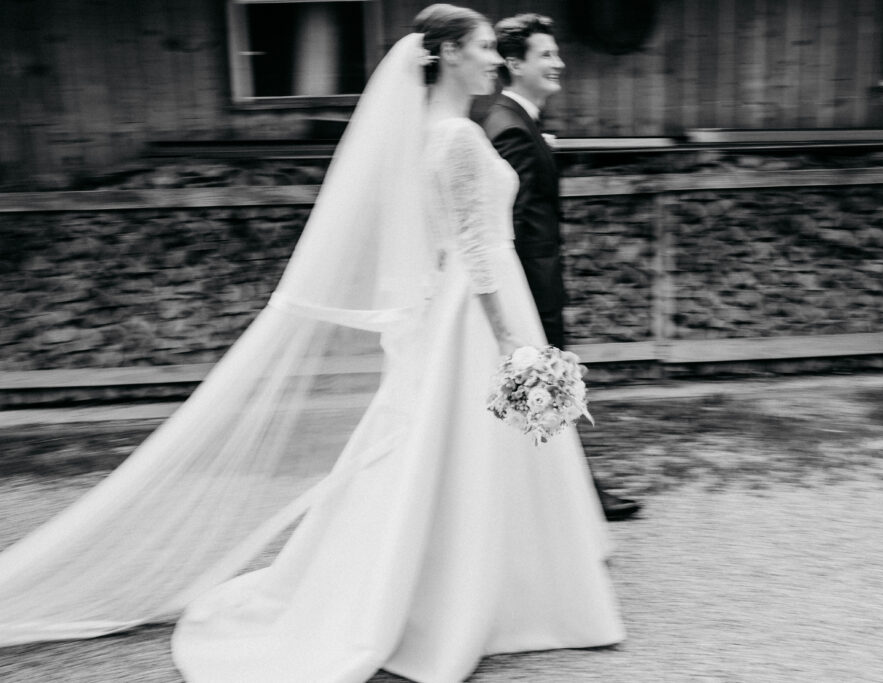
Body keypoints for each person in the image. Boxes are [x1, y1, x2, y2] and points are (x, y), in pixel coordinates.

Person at [0, 5, 624, 682]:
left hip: (467, 304)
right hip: (483, 308)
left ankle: (491, 581)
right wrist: (513, 343)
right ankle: (492, 592)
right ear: (446, 55)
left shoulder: (436, 132)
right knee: (472, 449)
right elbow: (474, 250)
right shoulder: (455, 137)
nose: (494, 60)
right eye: (482, 48)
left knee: (458, 452)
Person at [477, 13, 641, 521]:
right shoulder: (511, 128)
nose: (559, 62)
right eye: (545, 55)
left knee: (542, 396)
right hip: (529, 287)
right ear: (514, 64)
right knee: (546, 391)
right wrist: (529, 305)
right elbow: (516, 225)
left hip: (533, 284)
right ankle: (575, 499)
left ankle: (561, 495)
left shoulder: (517, 122)